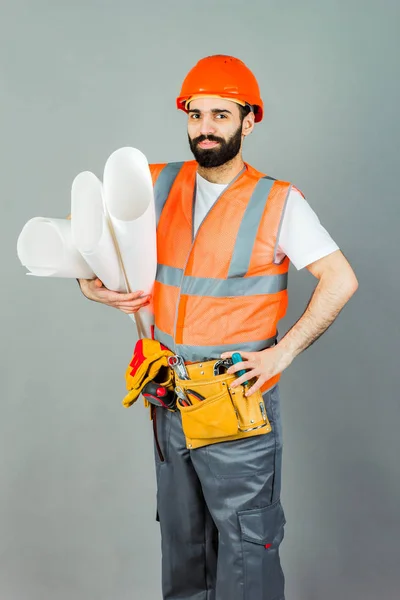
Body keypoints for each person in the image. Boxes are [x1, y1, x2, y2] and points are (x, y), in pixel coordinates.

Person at [76, 55, 358, 600]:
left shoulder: (277, 202)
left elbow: (339, 279)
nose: (205, 127)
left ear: (249, 121)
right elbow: (86, 248)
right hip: (169, 393)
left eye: (221, 115)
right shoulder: (153, 184)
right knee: (183, 547)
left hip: (234, 398)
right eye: (196, 114)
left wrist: (283, 354)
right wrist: (90, 284)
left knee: (246, 550)